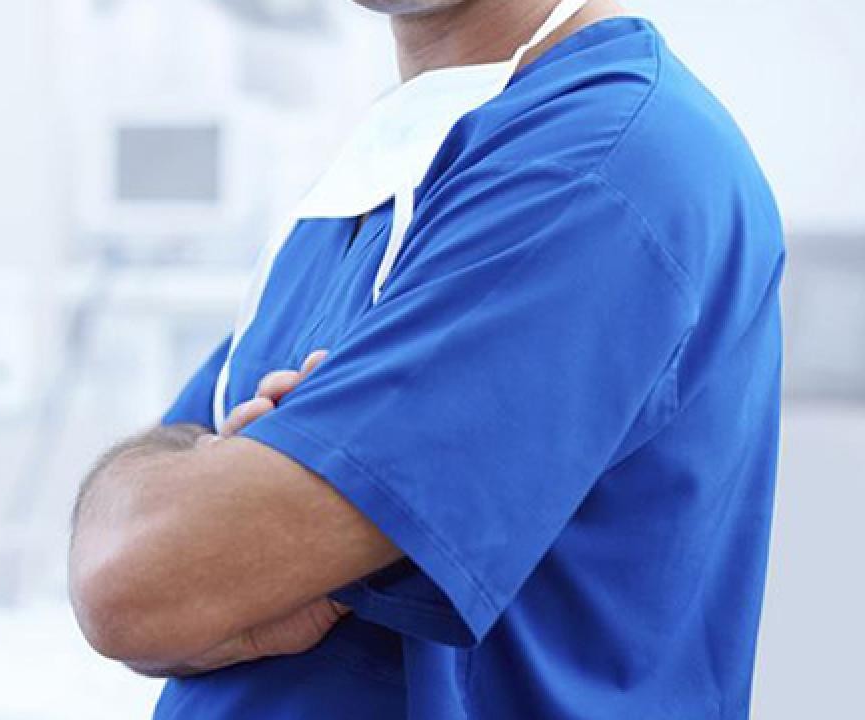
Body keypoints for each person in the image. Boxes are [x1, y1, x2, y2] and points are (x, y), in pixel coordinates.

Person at [69, 0, 785, 717]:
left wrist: (199, 540)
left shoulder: (599, 165)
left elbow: (136, 584)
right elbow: (125, 546)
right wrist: (186, 526)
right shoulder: (382, 180)